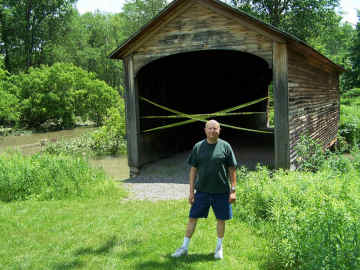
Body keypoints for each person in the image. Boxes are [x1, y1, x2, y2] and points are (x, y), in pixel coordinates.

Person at [171, 119, 237, 259]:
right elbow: (193, 171)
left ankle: (219, 248)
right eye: (210, 128)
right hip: (202, 191)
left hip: (221, 192)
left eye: (215, 128)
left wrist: (233, 190)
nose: (212, 131)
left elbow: (232, 170)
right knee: (192, 218)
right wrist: (191, 192)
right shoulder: (198, 147)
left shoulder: (225, 146)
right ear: (205, 130)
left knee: (221, 219)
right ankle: (184, 247)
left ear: (219, 130)